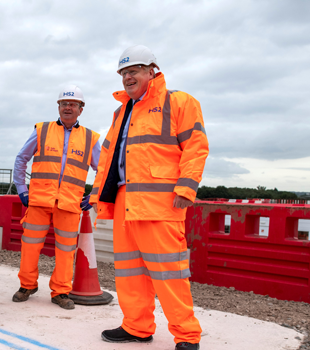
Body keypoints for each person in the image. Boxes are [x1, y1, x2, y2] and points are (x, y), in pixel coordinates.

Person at [89, 45, 208, 350]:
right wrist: (96, 194)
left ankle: (186, 335)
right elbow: (107, 158)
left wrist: (186, 188)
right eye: (124, 73)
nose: (127, 78)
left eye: (134, 71)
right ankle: (137, 327)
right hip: (124, 201)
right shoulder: (121, 111)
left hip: (160, 203)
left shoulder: (178, 101)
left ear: (152, 71)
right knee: (130, 272)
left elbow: (196, 145)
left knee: (169, 272)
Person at [12, 85, 101, 309]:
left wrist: (93, 196)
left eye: (72, 104)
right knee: (30, 246)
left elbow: (104, 170)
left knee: (65, 251)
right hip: (39, 201)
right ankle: (27, 285)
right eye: (63, 104)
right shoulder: (42, 130)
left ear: (81, 109)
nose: (68, 107)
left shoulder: (90, 138)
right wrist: (21, 188)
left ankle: (60, 292)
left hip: (70, 204)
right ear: (58, 107)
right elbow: (21, 158)